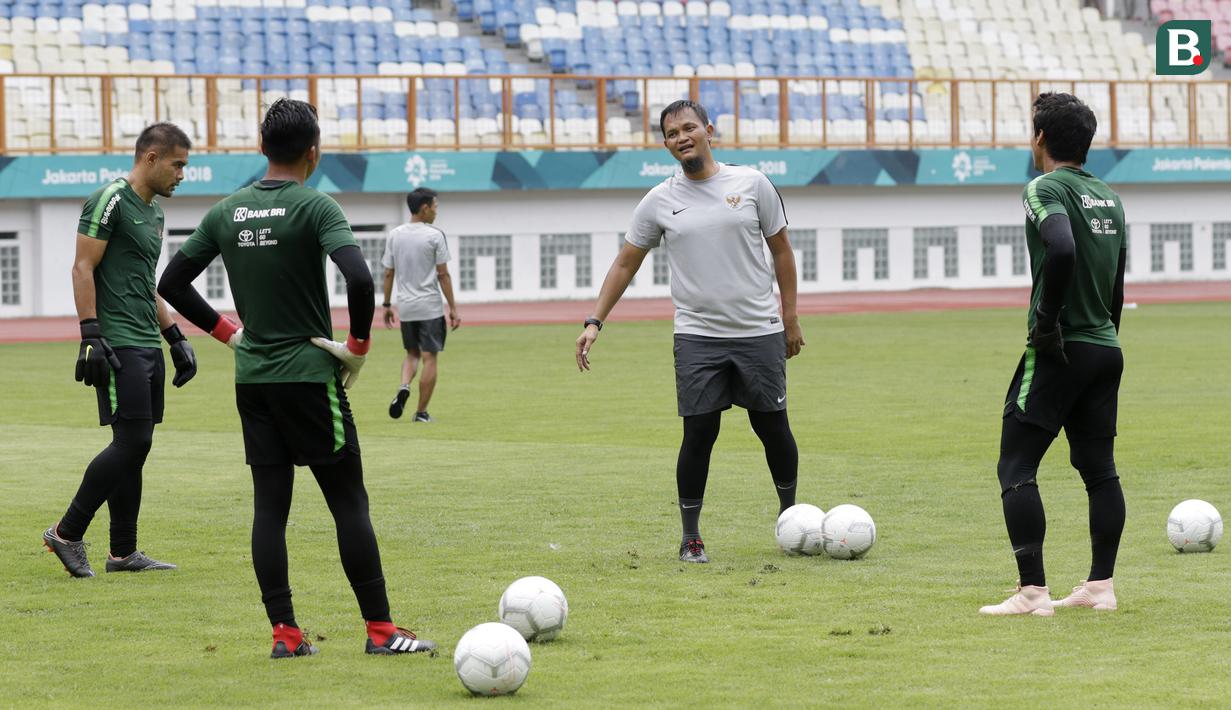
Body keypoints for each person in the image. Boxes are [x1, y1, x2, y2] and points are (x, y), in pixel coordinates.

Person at [157, 98, 436, 658]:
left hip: (253, 381)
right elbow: (358, 278)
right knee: (348, 503)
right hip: (310, 379)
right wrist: (356, 347)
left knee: (269, 509)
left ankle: (285, 635)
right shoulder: (317, 207)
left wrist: (230, 334)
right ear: (314, 151)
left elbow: (172, 281)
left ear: (262, 148)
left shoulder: (227, 211)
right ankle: (381, 631)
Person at [574, 99, 805, 564]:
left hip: (759, 330)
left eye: (689, 128)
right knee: (699, 434)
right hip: (697, 336)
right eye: (672, 133)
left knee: (772, 428)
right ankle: (691, 537)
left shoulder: (753, 184)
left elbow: (782, 251)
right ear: (665, 144)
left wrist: (791, 318)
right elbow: (626, 262)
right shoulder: (660, 200)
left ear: (709, 131)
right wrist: (594, 321)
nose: (682, 137)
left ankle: (791, 520)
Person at [980, 93, 1127, 616]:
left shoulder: (1044, 187)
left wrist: (1046, 325)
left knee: (1015, 464)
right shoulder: (1109, 197)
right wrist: (1103, 334)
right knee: (1099, 468)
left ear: (1039, 138)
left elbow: (1060, 247)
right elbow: (1116, 284)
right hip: (1106, 347)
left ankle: (1032, 594)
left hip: (1060, 347)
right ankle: (1100, 587)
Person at [43, 123, 196, 578]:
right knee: (133, 442)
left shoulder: (154, 215)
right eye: (178, 164)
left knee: (135, 448)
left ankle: (123, 553)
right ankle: (66, 533)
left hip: (147, 341)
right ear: (150, 158)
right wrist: (90, 333)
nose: (182, 175)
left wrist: (175, 336)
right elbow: (82, 266)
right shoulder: (110, 198)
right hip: (117, 342)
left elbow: (145, 283)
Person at [380, 187, 460, 422]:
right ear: (424, 208)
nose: (436, 211)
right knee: (430, 358)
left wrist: (386, 305)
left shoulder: (395, 235)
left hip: (406, 307)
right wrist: (453, 308)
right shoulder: (435, 235)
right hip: (429, 307)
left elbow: (388, 273)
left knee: (411, 353)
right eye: (434, 206)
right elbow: (443, 275)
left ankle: (404, 385)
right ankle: (421, 413)